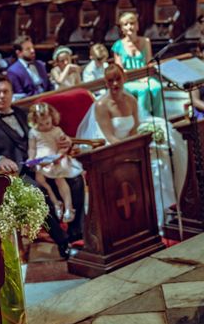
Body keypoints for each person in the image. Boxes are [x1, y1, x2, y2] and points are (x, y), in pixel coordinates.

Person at [0, 74, 84, 258]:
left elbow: (48, 132)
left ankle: (77, 234)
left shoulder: (25, 113)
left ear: (12, 93)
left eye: (5, 91)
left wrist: (64, 141)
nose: (2, 96)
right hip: (15, 174)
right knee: (38, 191)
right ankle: (63, 243)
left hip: (42, 165)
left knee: (75, 179)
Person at [76, 64, 186, 226]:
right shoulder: (101, 106)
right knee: (149, 167)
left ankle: (164, 216)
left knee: (159, 161)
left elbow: (134, 131)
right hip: (111, 149)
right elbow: (110, 137)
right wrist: (132, 153)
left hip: (129, 145)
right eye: (109, 81)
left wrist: (141, 148)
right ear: (105, 83)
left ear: (124, 78)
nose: (114, 84)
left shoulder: (131, 101)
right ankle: (146, 219)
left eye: (117, 79)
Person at [27, 102, 83, 223]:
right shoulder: (34, 132)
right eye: (40, 124)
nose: (45, 126)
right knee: (40, 181)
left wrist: (58, 155)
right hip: (41, 162)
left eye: (47, 123)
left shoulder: (57, 131)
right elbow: (32, 148)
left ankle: (69, 207)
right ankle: (56, 203)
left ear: (52, 118)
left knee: (60, 180)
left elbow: (64, 146)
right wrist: (31, 159)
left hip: (55, 159)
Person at [111, 11, 163, 118]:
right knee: (143, 90)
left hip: (145, 77)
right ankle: (142, 120)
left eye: (132, 23)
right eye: (126, 24)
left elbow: (149, 63)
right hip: (128, 79)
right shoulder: (117, 46)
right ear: (122, 29)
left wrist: (145, 76)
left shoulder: (146, 41)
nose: (129, 27)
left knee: (156, 87)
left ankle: (158, 118)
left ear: (137, 26)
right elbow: (119, 69)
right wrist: (137, 77)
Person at [7, 35, 53, 100]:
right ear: (19, 53)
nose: (32, 51)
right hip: (30, 103)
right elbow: (20, 96)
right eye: (28, 49)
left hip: (47, 99)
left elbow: (49, 86)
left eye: (32, 48)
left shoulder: (40, 64)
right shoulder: (13, 71)